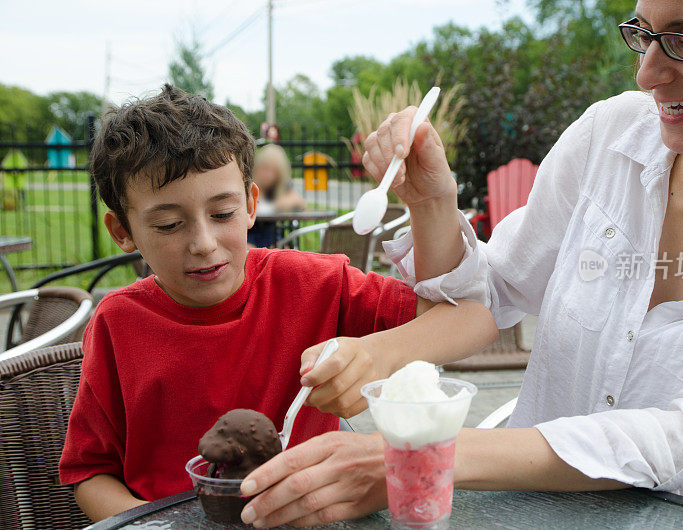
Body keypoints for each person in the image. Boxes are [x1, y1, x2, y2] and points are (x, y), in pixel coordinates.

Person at [236, 0, 683, 527]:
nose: (647, 73)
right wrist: (432, 205)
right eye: (644, 34)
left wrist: (424, 455)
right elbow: (495, 291)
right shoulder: (610, 139)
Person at [57, 85, 498, 522]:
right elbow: (90, 471)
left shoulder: (315, 285)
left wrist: (378, 351)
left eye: (223, 214)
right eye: (169, 224)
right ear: (123, 232)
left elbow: (473, 321)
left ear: (251, 204)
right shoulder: (118, 323)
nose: (203, 244)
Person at [247, 144, 306, 248]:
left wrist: (272, 206)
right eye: (265, 169)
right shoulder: (249, 185)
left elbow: (299, 202)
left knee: (285, 252)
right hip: (249, 236)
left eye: (273, 171)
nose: (267, 175)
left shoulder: (279, 188)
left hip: (271, 237)